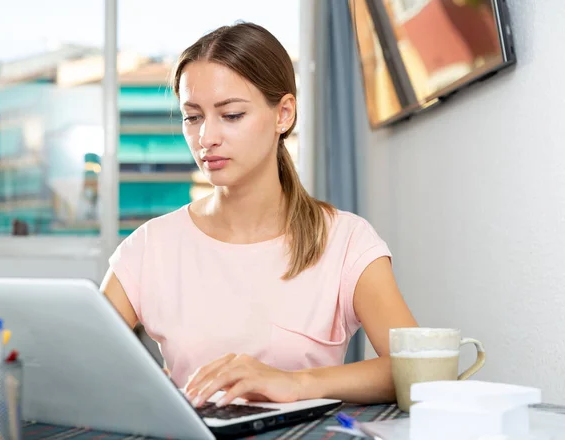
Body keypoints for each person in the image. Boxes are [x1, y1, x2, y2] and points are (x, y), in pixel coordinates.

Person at [100, 22, 417, 409]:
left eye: (230, 115)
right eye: (193, 117)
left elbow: (415, 369)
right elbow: (84, 364)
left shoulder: (347, 240)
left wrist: (295, 383)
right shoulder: (150, 247)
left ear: (283, 114)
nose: (206, 138)